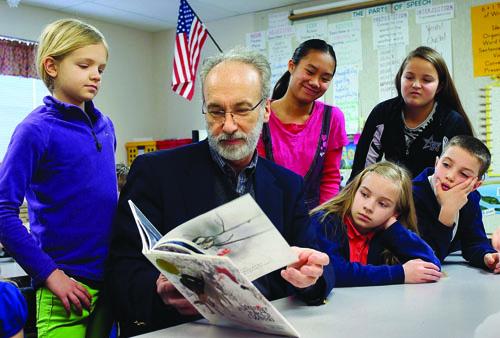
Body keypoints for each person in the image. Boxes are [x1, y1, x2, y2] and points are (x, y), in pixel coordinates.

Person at [107, 47, 334, 337]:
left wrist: (311, 278)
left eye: (241, 109)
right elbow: (120, 270)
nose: (227, 125)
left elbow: (321, 264)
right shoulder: (155, 173)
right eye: (215, 111)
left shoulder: (287, 185)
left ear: (265, 110)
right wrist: (158, 289)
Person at [0, 19, 117, 337]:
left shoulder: (106, 126)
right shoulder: (34, 130)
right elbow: (2, 211)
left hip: (109, 285)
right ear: (51, 65)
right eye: (85, 65)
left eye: (101, 68)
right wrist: (51, 275)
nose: (96, 75)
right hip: (63, 290)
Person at [350, 46, 473, 180]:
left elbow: (461, 179)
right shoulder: (383, 114)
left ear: (440, 86)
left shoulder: (453, 123)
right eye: (409, 77)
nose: (415, 85)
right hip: (392, 197)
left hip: (436, 198)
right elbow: (360, 173)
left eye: (426, 80)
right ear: (400, 79)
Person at [310, 161, 441, 286]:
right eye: (365, 194)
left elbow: (431, 267)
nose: (368, 207)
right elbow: (333, 271)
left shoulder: (385, 230)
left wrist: (394, 229)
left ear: (396, 213)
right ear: (354, 191)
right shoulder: (325, 221)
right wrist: (400, 273)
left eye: (382, 204)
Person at [257, 39, 348, 210]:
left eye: (325, 78)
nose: (315, 82)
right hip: (269, 215)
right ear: (292, 66)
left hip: (313, 218)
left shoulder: (332, 118)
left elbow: (330, 179)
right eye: (310, 71)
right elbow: (257, 177)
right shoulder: (261, 113)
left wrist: (320, 222)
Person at [413, 135, 500, 273]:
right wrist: (448, 212)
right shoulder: (413, 195)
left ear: (475, 185)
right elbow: (425, 258)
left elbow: (473, 241)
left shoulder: (470, 198)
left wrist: (487, 256)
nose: (450, 176)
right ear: (436, 163)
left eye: (464, 174)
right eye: (446, 165)